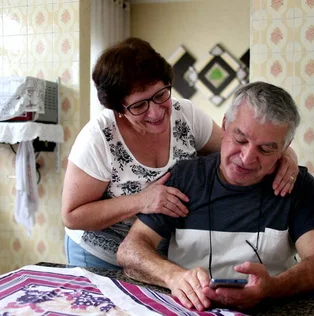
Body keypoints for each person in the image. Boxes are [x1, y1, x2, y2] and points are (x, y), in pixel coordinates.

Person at [61, 38, 301, 269]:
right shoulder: (99, 137)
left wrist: (286, 153)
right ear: (118, 107)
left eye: (159, 95)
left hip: (160, 254)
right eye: (139, 105)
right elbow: (72, 215)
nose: (155, 113)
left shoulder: (185, 115)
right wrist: (141, 201)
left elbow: (238, 144)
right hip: (99, 254)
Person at [116, 82, 314, 311]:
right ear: (224, 125)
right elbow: (130, 250)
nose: (246, 158)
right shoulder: (185, 177)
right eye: (240, 139)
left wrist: (272, 287)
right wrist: (173, 277)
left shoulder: (299, 185)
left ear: (285, 147)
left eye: (265, 149)